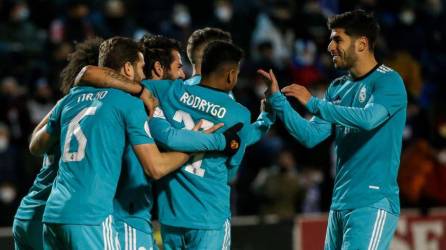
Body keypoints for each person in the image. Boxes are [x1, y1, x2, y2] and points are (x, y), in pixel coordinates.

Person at [259, 9, 407, 250]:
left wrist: (314, 103)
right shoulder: (337, 87)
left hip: (372, 201)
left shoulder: (388, 81)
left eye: (337, 39)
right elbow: (311, 135)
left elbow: (369, 118)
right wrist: (278, 102)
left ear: (362, 44)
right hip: (339, 203)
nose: (330, 47)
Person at [39, 36, 190, 249]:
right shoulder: (129, 102)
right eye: (141, 67)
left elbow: (35, 146)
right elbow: (155, 167)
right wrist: (197, 149)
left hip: (54, 213)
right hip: (97, 217)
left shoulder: (73, 98)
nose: (142, 74)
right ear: (128, 68)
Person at [12, 37, 103, 250]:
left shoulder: (66, 104)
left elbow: (34, 144)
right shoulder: (107, 110)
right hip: (61, 218)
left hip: (28, 211)